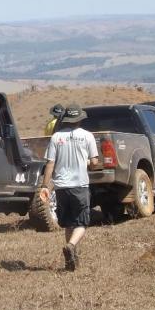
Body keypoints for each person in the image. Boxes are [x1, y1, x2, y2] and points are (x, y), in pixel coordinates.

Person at [42, 104, 99, 271]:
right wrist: (88, 163)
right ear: (80, 119)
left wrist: (45, 186)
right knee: (82, 223)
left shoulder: (56, 137)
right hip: (80, 185)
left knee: (68, 223)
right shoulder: (88, 136)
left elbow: (50, 164)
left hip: (61, 188)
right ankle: (72, 246)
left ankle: (70, 260)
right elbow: (95, 163)